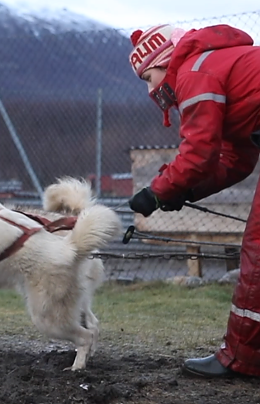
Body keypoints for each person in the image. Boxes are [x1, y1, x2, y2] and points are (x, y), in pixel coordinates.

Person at [126, 23, 260, 378]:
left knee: (259, 248)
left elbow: (199, 151)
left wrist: (158, 191)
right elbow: (235, 159)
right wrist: (187, 190)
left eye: (149, 76)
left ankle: (243, 359)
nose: (152, 88)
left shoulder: (194, 72)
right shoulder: (219, 66)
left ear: (165, 59)